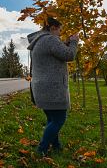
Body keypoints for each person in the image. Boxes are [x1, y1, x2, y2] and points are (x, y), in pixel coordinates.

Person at [27, 17, 79, 156]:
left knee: (52, 118)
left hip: (41, 88)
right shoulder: (50, 39)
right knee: (58, 119)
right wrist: (74, 42)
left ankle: (56, 145)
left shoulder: (39, 41)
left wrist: (65, 43)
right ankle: (41, 149)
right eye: (59, 31)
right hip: (52, 89)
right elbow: (69, 55)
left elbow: (56, 52)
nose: (60, 34)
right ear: (52, 28)